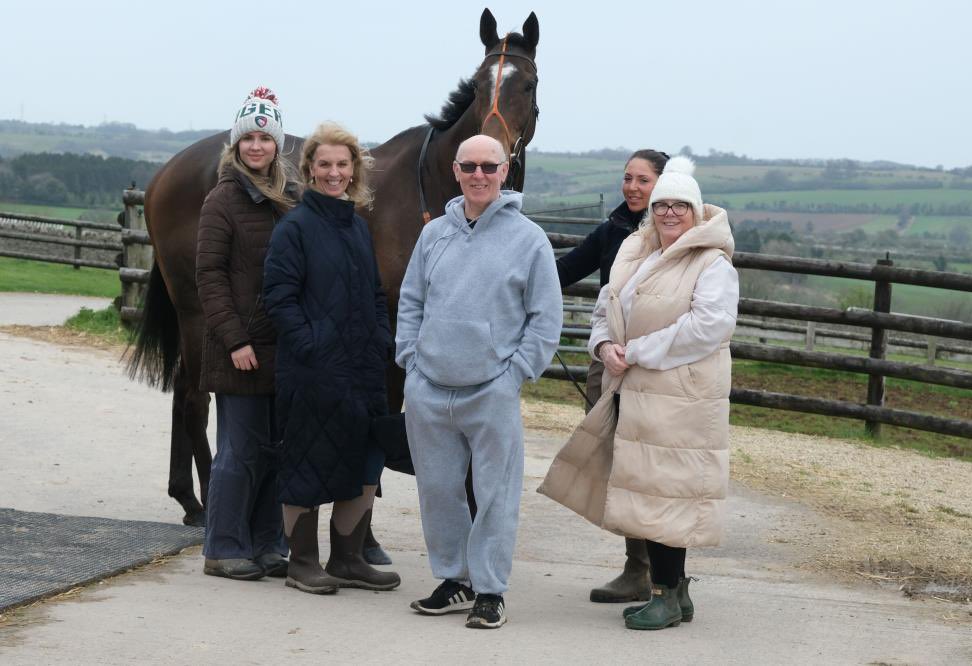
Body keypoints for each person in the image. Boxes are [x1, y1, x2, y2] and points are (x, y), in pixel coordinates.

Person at [539, 155, 739, 630]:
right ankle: (677, 592)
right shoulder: (638, 252)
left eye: (680, 206)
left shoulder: (712, 263)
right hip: (635, 390)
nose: (670, 213)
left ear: (696, 210)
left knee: (665, 494)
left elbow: (710, 326)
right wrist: (605, 345)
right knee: (653, 490)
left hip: (679, 398)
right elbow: (607, 307)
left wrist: (637, 351)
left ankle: (664, 595)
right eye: (662, 205)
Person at [395, 134, 563, 629]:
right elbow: (411, 302)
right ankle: (454, 579)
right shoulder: (433, 235)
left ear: (505, 170)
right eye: (469, 166)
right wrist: (411, 360)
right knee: (438, 490)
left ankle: (490, 589)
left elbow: (545, 318)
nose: (479, 175)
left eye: (489, 166)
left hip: (492, 388)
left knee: (495, 493)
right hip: (430, 387)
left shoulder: (529, 239)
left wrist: (515, 374)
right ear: (455, 170)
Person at [263, 122, 400, 595]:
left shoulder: (359, 227)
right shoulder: (294, 227)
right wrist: (313, 347)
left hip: (362, 370)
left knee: (362, 464)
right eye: (325, 164)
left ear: (354, 170)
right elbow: (279, 299)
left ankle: (348, 559)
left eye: (343, 164)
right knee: (307, 461)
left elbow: (373, 294)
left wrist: (381, 341)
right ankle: (302, 562)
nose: (334, 172)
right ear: (309, 169)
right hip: (312, 371)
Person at [555, 149, 668, 604]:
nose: (633, 187)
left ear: (664, 185)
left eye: (643, 180)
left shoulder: (677, 235)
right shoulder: (613, 231)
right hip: (610, 362)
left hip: (657, 365)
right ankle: (637, 567)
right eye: (628, 178)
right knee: (619, 466)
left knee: (655, 468)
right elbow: (560, 270)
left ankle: (666, 575)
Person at [196, 87, 298, 581]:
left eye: (265, 136)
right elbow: (209, 275)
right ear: (235, 144)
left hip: (283, 349)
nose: (256, 145)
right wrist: (235, 340)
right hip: (241, 347)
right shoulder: (224, 199)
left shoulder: (288, 201)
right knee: (238, 451)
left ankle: (267, 543)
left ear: (278, 145)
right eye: (248, 137)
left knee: (274, 450)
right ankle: (223, 546)